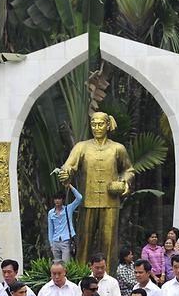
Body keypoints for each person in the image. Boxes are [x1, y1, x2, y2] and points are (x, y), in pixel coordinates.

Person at [57, 111, 134, 263]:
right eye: (93, 124)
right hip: (87, 201)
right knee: (84, 242)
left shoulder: (118, 148)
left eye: (100, 124)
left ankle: (109, 278)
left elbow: (128, 170)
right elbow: (69, 165)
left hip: (110, 201)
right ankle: (81, 276)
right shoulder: (82, 147)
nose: (96, 127)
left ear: (107, 125)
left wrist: (124, 182)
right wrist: (65, 173)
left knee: (109, 243)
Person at [47, 183, 84, 262]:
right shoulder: (51, 213)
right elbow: (50, 229)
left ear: (62, 200)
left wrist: (70, 186)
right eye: (55, 199)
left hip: (66, 240)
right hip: (55, 241)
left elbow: (79, 198)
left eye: (59, 199)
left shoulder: (68, 209)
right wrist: (51, 244)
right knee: (57, 264)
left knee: (66, 264)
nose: (57, 201)